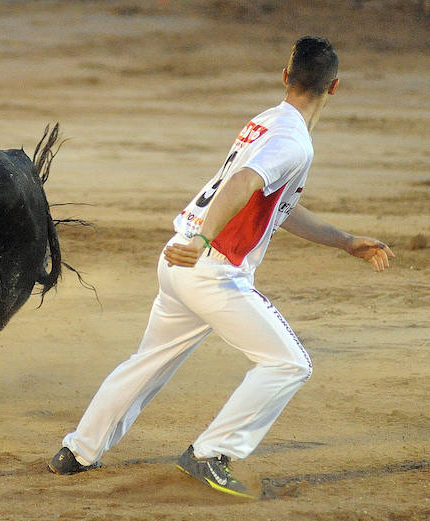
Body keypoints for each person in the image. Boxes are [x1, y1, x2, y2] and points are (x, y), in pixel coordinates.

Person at [48, 36, 394, 498]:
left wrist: (345, 241)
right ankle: (212, 453)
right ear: (335, 88)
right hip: (209, 268)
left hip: (179, 262)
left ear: (285, 77)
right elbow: (243, 183)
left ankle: (77, 451)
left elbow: (278, 208)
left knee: (149, 362)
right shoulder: (293, 141)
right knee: (288, 364)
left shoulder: (268, 122)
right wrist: (202, 240)